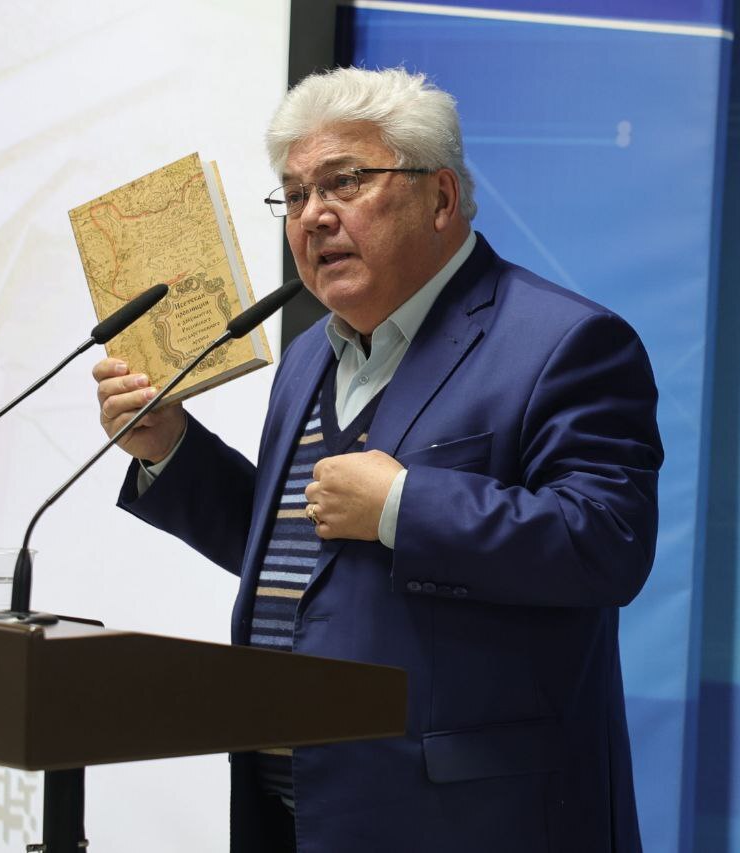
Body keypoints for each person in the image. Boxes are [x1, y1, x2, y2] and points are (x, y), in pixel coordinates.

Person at [93, 66, 662, 853]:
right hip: (295, 815)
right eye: (295, 195)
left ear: (440, 198)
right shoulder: (307, 356)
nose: (313, 216)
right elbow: (304, 555)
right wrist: (171, 450)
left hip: (469, 824)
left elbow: (607, 543)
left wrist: (403, 506)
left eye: (344, 182)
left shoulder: (564, 343)